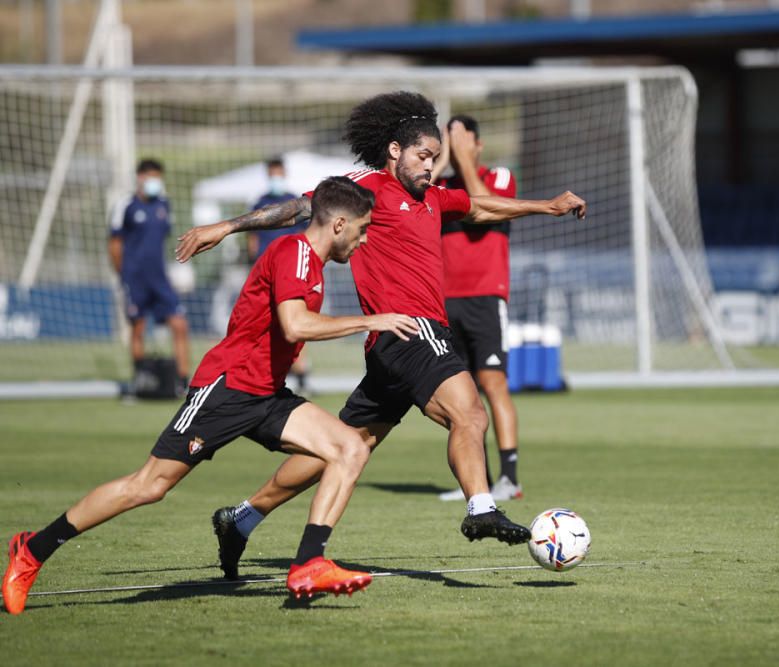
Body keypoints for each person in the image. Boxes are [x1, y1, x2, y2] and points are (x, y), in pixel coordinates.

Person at [174, 91, 586, 581]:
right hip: (413, 331)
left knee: (347, 445)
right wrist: (227, 225)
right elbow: (300, 209)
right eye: (423, 156)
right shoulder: (366, 187)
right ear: (394, 150)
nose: (431, 167)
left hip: (388, 349)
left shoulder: (431, 197)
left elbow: (478, 207)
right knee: (470, 412)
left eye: (436, 158)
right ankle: (480, 507)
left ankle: (241, 519)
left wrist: (549, 206)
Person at [3, 176, 422, 614]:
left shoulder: (311, 262)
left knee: (349, 449)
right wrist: (370, 322)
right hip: (227, 389)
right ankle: (32, 549)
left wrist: (224, 227)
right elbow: (295, 325)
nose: (364, 238)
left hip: (266, 395)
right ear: (338, 225)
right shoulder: (295, 253)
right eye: (362, 229)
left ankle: (309, 563)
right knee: (148, 486)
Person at [431, 115, 523, 502]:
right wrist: (443, 158)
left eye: (460, 137)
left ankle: (510, 478)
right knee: (461, 393)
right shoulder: (439, 187)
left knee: (492, 382)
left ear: (478, 144)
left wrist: (463, 157)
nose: (453, 145)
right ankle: (477, 480)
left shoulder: (499, 176)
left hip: (485, 296)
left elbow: (483, 203)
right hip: (443, 300)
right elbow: (413, 193)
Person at [109, 158, 191, 394]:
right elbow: (115, 243)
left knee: (179, 324)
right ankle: (141, 378)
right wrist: (123, 274)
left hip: (160, 278)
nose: (155, 182)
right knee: (138, 326)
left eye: (158, 177)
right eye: (150, 177)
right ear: (140, 178)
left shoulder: (164, 205)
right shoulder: (126, 205)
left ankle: (183, 382)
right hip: (135, 278)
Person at [247, 157, 312, 395]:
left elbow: (307, 235)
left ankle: (301, 373)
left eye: (279, 172)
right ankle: (264, 374)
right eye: (272, 172)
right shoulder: (260, 202)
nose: (276, 176)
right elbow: (252, 238)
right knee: (265, 323)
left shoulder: (295, 201)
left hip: (291, 271)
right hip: (266, 271)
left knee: (295, 319)